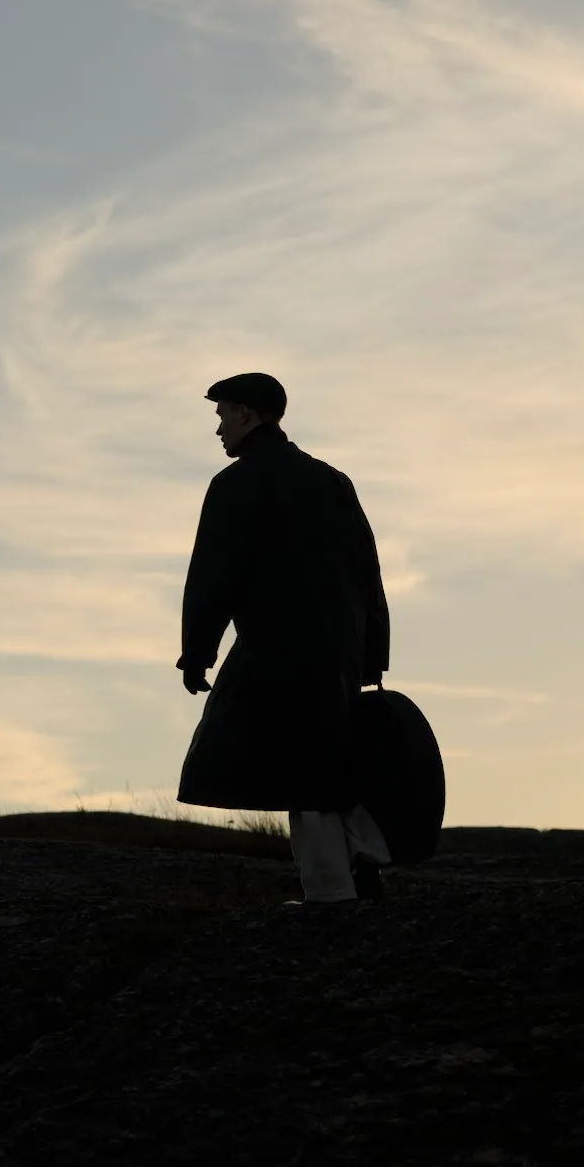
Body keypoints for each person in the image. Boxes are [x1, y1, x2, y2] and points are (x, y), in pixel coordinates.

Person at [175, 373, 393, 905]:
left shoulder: (236, 484)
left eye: (224, 414)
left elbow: (213, 575)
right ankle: (363, 862)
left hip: (274, 651)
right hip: (340, 652)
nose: (220, 428)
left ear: (249, 415)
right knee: (327, 761)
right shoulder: (332, 480)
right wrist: (372, 655)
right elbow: (368, 571)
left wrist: (197, 652)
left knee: (304, 775)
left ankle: (332, 891)